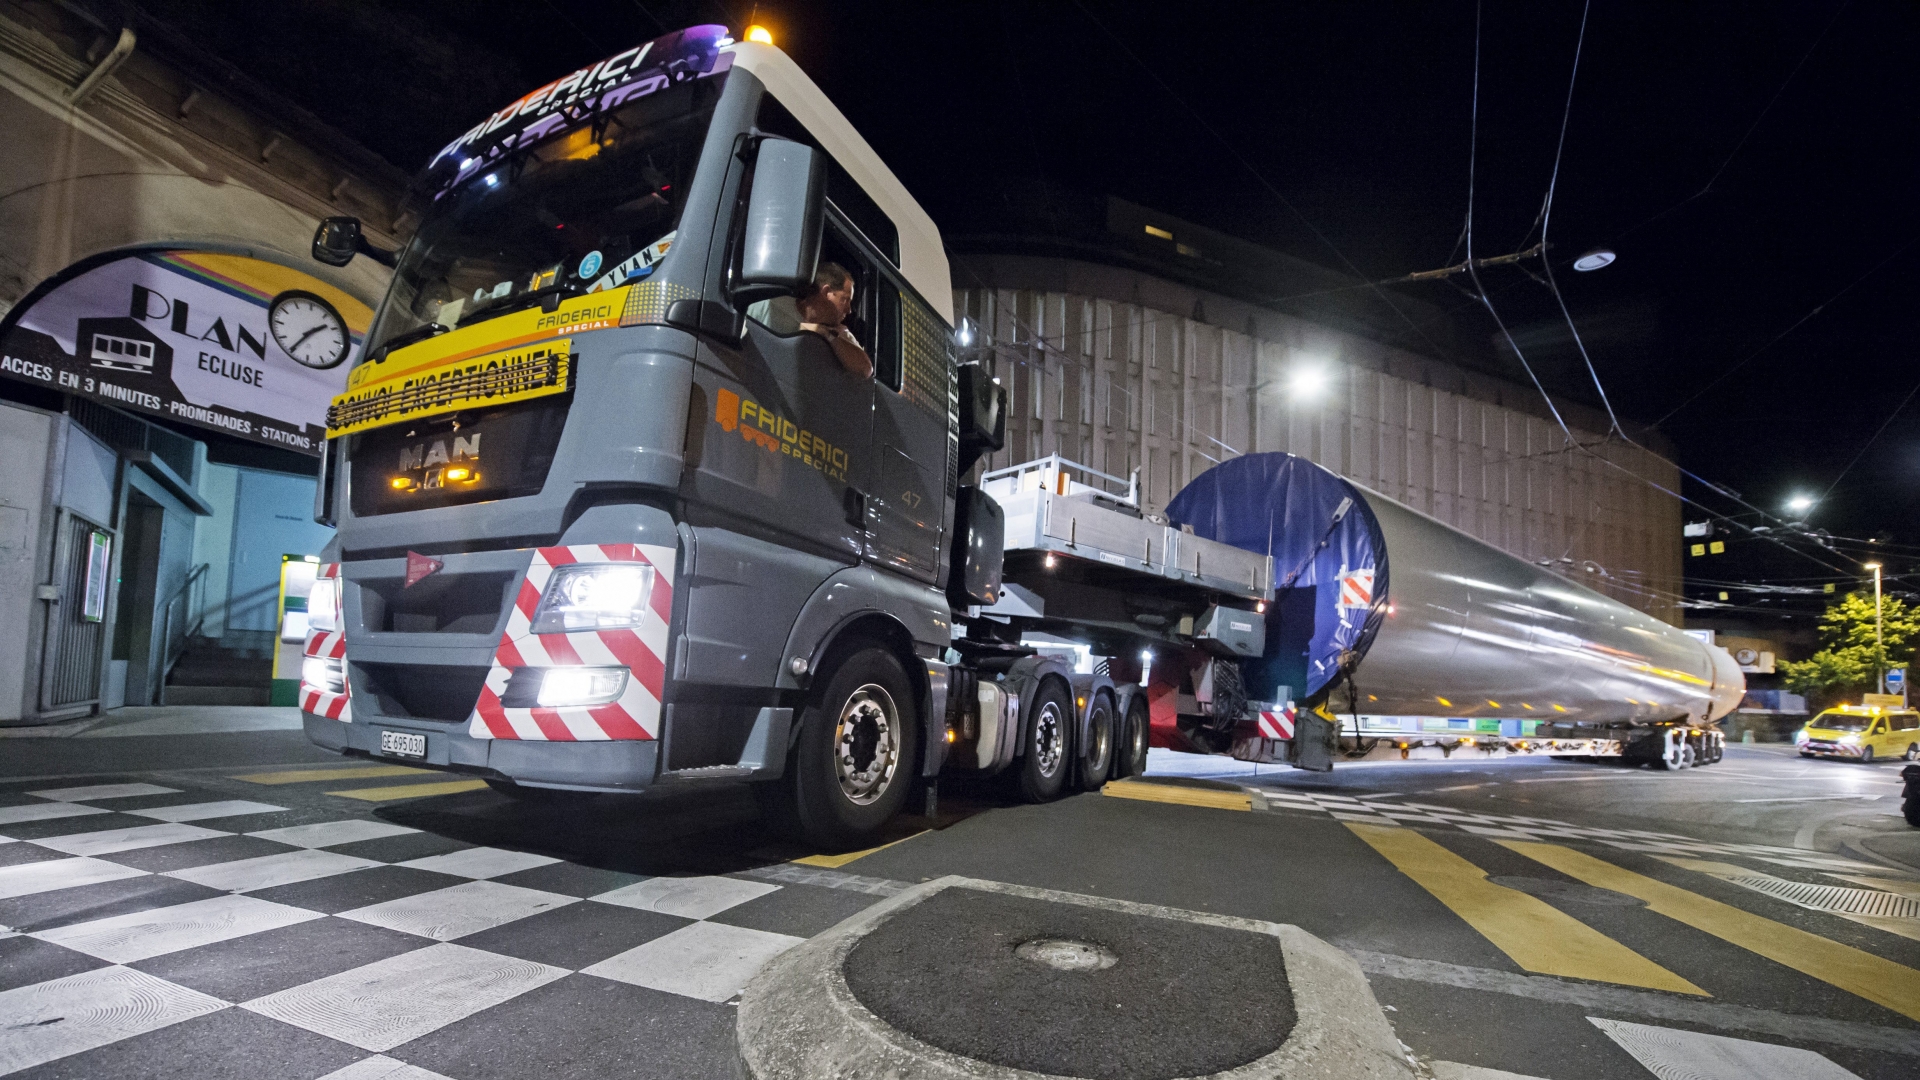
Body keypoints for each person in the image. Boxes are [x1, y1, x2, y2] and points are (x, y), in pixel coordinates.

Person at [796, 262, 873, 379]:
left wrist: (828, 336)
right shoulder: (782, 303)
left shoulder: (838, 332)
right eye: (845, 300)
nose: (849, 310)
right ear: (827, 292)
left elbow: (865, 369)